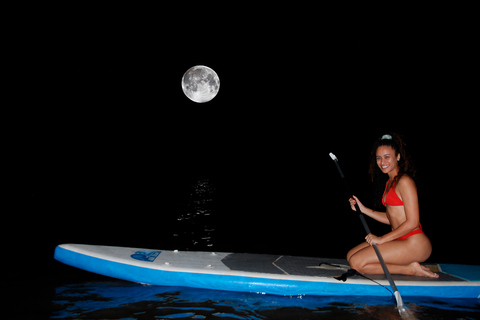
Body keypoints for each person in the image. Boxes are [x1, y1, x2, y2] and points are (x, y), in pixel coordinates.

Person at [346, 133, 438, 278]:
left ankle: (411, 269)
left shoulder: (405, 182)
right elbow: (391, 218)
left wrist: (382, 239)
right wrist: (363, 209)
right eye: (379, 158)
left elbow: (413, 222)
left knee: (357, 263)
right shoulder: (390, 182)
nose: (382, 162)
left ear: (398, 157)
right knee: (351, 255)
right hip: (400, 240)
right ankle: (404, 264)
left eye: (387, 156)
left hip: (415, 243)